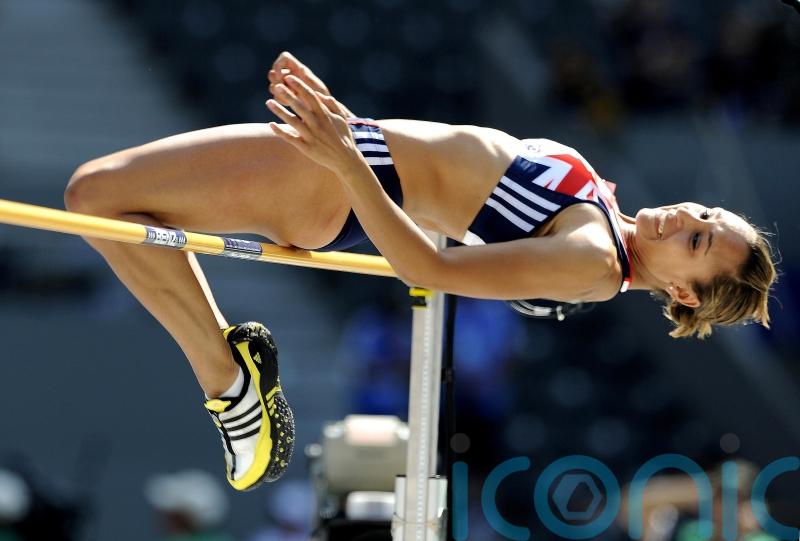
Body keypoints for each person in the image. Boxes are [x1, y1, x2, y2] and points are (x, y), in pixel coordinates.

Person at [62, 51, 777, 491]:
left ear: (682, 290)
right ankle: (230, 378)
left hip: (339, 178)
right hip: (352, 162)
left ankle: (230, 383)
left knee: (94, 194)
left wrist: (347, 155)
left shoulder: (593, 259)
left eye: (697, 241)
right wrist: (358, 134)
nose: (686, 218)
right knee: (108, 207)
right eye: (705, 213)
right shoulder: (608, 224)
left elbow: (427, 265)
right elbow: (454, 186)